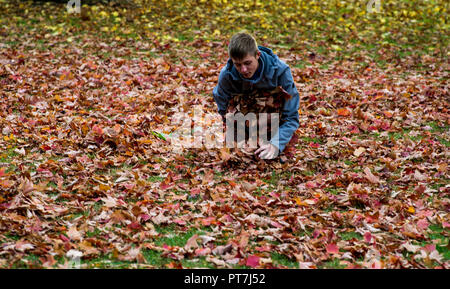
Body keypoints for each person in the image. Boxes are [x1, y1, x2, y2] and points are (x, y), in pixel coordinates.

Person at [212, 32, 300, 161]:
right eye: (238, 64)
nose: (243, 70)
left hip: (274, 125)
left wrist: (276, 144)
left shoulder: (280, 71)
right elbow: (224, 110)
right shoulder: (227, 75)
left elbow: (291, 116)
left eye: (247, 63)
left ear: (258, 55)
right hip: (243, 123)